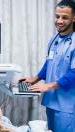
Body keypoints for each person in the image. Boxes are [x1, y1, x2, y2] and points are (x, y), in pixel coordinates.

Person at [22, 0, 75, 132]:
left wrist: (48, 85)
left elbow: (74, 73)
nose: (59, 21)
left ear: (74, 18)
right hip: (52, 100)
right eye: (57, 16)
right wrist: (36, 78)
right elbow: (50, 62)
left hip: (67, 105)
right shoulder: (54, 39)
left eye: (65, 17)